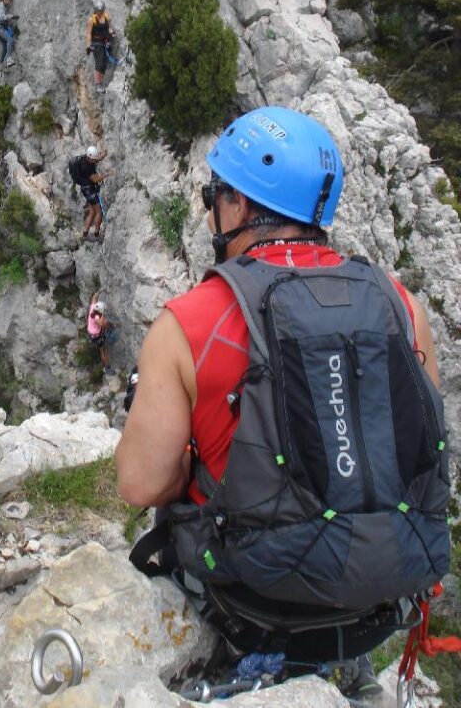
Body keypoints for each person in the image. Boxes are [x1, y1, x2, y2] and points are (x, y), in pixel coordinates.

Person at [116, 106, 446, 701]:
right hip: (380, 603)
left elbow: (140, 484)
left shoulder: (187, 323)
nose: (211, 212)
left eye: (215, 196)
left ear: (239, 206)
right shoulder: (401, 306)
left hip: (253, 603)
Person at [76, 145, 111, 241]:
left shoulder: (88, 159)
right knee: (99, 211)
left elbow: (96, 159)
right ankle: (96, 234)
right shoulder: (85, 167)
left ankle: (85, 233)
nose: (95, 160)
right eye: (93, 159)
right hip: (89, 190)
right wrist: (107, 174)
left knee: (92, 212)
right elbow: (96, 179)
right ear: (89, 158)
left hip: (86, 189)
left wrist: (103, 155)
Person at [85, 0, 115, 92]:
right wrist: (88, 46)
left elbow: (109, 28)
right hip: (96, 43)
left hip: (105, 42)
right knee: (99, 62)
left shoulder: (106, 17)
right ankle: (97, 84)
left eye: (101, 11)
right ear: (95, 10)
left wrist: (112, 33)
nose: (100, 12)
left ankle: (101, 83)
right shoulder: (92, 20)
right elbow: (89, 33)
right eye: (98, 11)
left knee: (105, 63)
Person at [86, 293, 118, 373]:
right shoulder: (97, 318)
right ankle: (107, 368)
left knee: (102, 350)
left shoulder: (93, 307)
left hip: (92, 333)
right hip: (97, 336)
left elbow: (94, 297)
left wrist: (99, 292)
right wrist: (113, 325)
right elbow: (104, 324)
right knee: (103, 351)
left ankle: (105, 367)